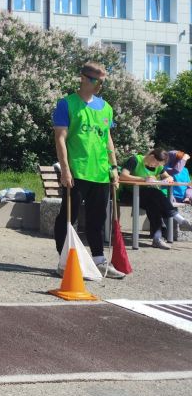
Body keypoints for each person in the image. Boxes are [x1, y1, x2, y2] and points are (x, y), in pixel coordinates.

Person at [52, 62, 125, 279]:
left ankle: (99, 261)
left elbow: (108, 139)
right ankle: (65, 261)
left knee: (97, 219)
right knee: (68, 217)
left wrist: (114, 167)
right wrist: (65, 169)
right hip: (77, 171)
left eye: (102, 81)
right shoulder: (67, 104)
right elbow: (60, 138)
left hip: (100, 173)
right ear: (83, 78)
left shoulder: (106, 107)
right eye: (95, 80)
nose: (99, 85)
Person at [119, 148, 192, 250]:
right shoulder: (135, 160)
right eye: (156, 163)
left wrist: (168, 178)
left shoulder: (159, 166)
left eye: (159, 165)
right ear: (152, 156)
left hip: (147, 196)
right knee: (154, 193)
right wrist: (143, 179)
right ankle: (179, 219)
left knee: (154, 204)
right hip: (129, 193)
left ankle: (157, 238)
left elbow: (168, 177)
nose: (157, 166)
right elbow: (122, 176)